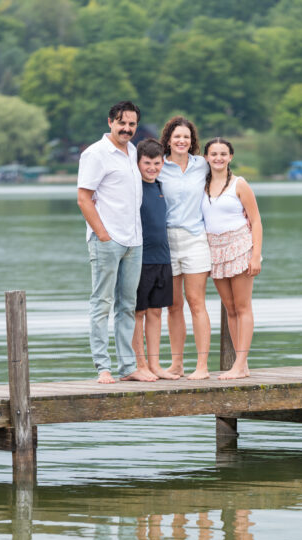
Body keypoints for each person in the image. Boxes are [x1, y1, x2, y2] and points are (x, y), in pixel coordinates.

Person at [77, 101, 156, 384]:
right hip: (107, 241)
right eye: (122, 123)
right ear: (110, 121)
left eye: (132, 124)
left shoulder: (132, 151)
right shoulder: (96, 154)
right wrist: (102, 235)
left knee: (127, 306)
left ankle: (128, 367)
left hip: (134, 241)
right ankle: (103, 367)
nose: (127, 129)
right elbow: (83, 198)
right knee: (102, 303)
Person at [202, 138, 263, 380]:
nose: (218, 158)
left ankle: (240, 364)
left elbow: (256, 220)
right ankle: (242, 364)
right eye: (213, 153)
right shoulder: (202, 185)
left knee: (242, 306)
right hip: (215, 250)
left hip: (239, 247)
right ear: (206, 157)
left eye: (223, 153)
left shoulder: (239, 184)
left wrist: (255, 256)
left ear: (231, 157)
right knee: (229, 308)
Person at [157, 116, 212, 380]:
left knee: (196, 303)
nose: (182, 141)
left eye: (186, 138)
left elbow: (226, 178)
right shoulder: (158, 166)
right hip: (166, 242)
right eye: (177, 136)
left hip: (195, 239)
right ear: (168, 139)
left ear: (192, 142)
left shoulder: (202, 165)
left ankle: (202, 366)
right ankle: (176, 364)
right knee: (173, 306)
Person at [133, 139, 179, 380]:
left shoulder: (160, 186)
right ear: (138, 162)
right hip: (139, 260)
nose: (152, 167)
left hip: (163, 259)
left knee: (156, 313)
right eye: (147, 163)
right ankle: (140, 365)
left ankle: (155, 366)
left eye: (157, 163)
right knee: (137, 313)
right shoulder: (133, 187)